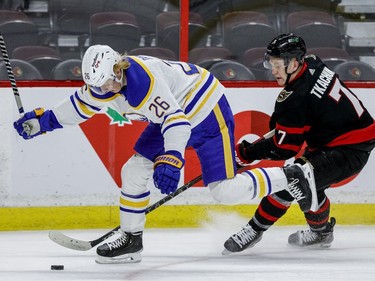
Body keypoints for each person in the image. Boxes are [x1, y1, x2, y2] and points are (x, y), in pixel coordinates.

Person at [14, 44, 316, 264]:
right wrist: (42, 122)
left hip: (207, 111)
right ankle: (131, 240)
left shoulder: (142, 82)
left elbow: (176, 121)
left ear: (118, 69)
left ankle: (291, 176)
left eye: (108, 81)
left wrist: (172, 158)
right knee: (133, 172)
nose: (104, 89)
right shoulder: (102, 84)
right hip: (174, 116)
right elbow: (78, 108)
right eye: (98, 85)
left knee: (224, 192)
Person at [223, 33, 375, 254]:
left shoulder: (295, 99)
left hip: (348, 149)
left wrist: (246, 153)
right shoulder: (312, 62)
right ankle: (322, 232)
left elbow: (284, 148)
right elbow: (313, 106)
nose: (272, 70)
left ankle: (254, 230)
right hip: (339, 138)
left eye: (277, 65)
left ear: (294, 63)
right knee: (310, 182)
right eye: (271, 63)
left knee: (293, 179)